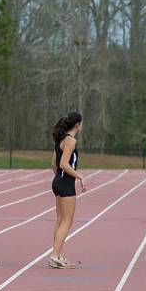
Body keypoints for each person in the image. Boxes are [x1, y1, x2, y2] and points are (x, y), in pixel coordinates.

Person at [49, 111, 86, 269]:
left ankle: (58, 255)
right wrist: (79, 177)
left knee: (60, 221)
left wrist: (60, 178)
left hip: (58, 181)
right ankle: (56, 256)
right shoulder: (70, 141)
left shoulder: (60, 139)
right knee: (67, 221)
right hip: (65, 183)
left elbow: (54, 164)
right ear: (77, 124)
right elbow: (63, 164)